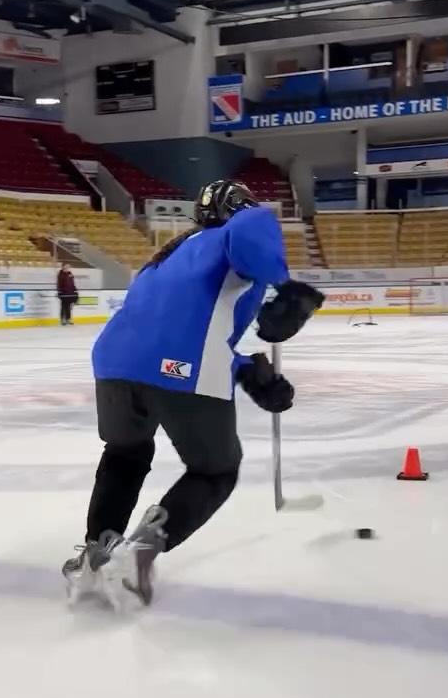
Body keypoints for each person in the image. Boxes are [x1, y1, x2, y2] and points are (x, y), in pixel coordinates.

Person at [63, 179, 324, 607]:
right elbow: (254, 226)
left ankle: (95, 557)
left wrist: (247, 372)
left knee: (125, 455)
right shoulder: (236, 232)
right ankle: (139, 554)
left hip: (114, 364)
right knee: (216, 470)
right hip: (181, 367)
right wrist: (285, 287)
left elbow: (177, 330)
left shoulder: (164, 260)